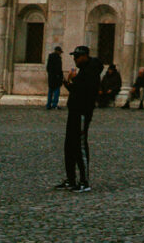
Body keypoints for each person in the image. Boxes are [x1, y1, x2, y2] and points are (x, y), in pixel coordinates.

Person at [54, 46, 101, 192]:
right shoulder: (84, 71)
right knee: (69, 145)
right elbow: (77, 90)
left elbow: (85, 91)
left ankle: (84, 181)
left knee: (80, 146)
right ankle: (71, 179)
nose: (75, 59)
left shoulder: (91, 71)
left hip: (82, 112)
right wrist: (68, 84)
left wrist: (74, 80)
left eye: (77, 57)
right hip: (74, 110)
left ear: (85, 56)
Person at [45, 45, 64, 111]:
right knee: (56, 91)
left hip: (51, 77)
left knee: (50, 91)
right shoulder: (58, 58)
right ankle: (54, 104)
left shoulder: (50, 56)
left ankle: (48, 104)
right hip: (56, 78)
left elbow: (48, 68)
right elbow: (59, 69)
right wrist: (60, 77)